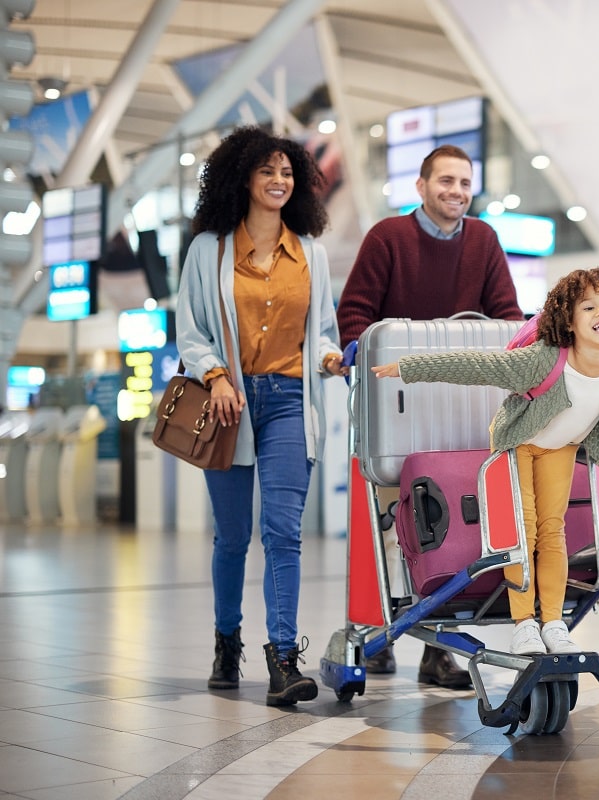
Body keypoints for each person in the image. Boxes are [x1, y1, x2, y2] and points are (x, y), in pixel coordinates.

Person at [373, 268, 599, 654]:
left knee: (553, 531)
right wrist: (408, 368)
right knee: (523, 530)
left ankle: (552, 622)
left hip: (561, 447)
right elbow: (475, 366)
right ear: (568, 321)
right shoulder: (542, 360)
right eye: (588, 307)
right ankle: (524, 624)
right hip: (519, 444)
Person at [337, 143, 522, 686]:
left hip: (458, 405)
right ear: (421, 187)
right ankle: (373, 628)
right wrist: (354, 350)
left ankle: (434, 646)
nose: (457, 192)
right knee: (387, 526)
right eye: (445, 181)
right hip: (393, 405)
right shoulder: (387, 239)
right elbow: (354, 315)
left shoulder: (484, 240)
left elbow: (507, 317)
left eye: (465, 183)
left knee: (444, 525)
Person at [176, 126, 344, 707]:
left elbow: (323, 328)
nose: (278, 181)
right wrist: (215, 375)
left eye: (287, 172)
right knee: (232, 537)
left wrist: (328, 355)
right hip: (228, 403)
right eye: (267, 170)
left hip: (291, 402)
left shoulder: (312, 254)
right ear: (242, 178)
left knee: (283, 534)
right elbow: (191, 330)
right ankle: (227, 642)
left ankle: (282, 659)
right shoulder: (208, 250)